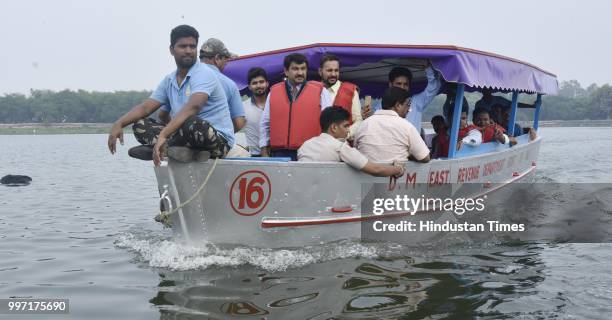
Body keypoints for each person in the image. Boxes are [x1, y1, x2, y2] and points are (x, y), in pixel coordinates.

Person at [107, 25, 234, 165]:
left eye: (192, 47)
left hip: (216, 142)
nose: (188, 51)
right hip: (185, 137)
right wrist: (118, 123)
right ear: (171, 50)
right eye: (183, 46)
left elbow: (194, 106)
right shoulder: (169, 80)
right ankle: (172, 149)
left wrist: (163, 134)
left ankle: (168, 147)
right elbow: (145, 108)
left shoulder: (204, 73)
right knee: (140, 124)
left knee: (191, 122)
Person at [259, 53, 331, 160]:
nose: (300, 73)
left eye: (303, 69)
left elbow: (328, 124)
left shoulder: (321, 91)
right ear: (286, 71)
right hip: (280, 153)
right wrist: (264, 150)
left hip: (311, 152)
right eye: (295, 69)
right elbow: (265, 123)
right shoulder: (274, 92)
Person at [299, 107, 405, 177]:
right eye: (345, 126)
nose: (348, 130)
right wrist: (398, 169)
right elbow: (375, 169)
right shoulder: (340, 147)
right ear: (334, 128)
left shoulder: (305, 145)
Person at [354, 87, 430, 163]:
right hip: (396, 173)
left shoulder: (363, 125)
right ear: (398, 105)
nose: (409, 110)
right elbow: (425, 157)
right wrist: (409, 154)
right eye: (408, 104)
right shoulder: (407, 126)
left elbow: (355, 150)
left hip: (366, 173)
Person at [372, 64, 441, 133]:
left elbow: (433, 87)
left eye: (405, 84)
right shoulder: (380, 106)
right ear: (390, 85)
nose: (402, 87)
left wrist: (427, 67)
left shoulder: (416, 101)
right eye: (399, 84)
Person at [198, 38, 246, 132]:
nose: (226, 63)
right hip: (214, 143)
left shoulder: (184, 78)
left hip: (183, 140)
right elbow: (239, 123)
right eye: (225, 59)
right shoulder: (229, 84)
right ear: (217, 58)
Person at [318, 53, 369, 139]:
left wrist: (345, 135)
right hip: (318, 144)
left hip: (341, 146)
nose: (333, 74)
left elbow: (358, 121)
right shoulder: (312, 90)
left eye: (336, 70)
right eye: (329, 70)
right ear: (320, 71)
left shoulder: (350, 90)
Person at [243, 67, 269, 156]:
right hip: (255, 156)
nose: (258, 85)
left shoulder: (276, 104)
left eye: (261, 82)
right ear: (249, 87)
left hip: (278, 154)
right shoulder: (243, 107)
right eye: (254, 83)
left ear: (267, 84)